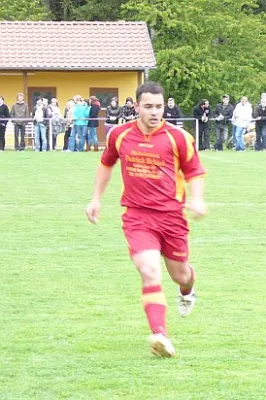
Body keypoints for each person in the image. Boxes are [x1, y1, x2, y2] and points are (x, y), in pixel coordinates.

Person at [85, 82, 208, 358]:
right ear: (137, 106)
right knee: (150, 271)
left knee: (181, 274)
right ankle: (159, 335)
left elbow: (194, 171)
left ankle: (188, 291)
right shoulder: (120, 134)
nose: (154, 112)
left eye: (159, 106)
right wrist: (95, 199)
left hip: (172, 218)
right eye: (149, 106)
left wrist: (197, 199)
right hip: (137, 216)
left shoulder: (178, 137)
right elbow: (106, 164)